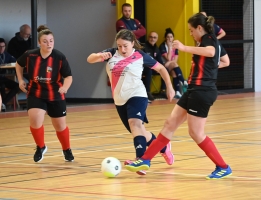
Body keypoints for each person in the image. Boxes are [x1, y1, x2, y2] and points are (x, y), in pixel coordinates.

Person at [125, 13, 232, 180]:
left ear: (199, 28)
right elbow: (225, 61)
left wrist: (184, 48)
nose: (190, 34)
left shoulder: (209, 39)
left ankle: (223, 167)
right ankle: (145, 159)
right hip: (193, 90)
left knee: (196, 133)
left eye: (191, 30)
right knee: (169, 124)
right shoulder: (210, 42)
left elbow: (211, 52)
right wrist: (209, 67)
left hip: (203, 91)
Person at [87, 29, 175, 175]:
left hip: (137, 95)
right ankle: (164, 148)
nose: (122, 49)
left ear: (132, 43)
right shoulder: (111, 53)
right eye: (119, 45)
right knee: (139, 132)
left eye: (125, 46)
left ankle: (141, 161)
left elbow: (161, 68)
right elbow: (89, 59)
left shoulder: (140, 55)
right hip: (120, 100)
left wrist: (170, 87)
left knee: (135, 125)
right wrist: (98, 55)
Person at [15, 25, 74, 163]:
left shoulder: (59, 57)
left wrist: (65, 87)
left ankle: (66, 149)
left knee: (60, 126)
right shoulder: (30, 54)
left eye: (51, 40)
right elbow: (18, 64)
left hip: (55, 93)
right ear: (39, 43)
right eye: (45, 41)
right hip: (36, 92)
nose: (49, 44)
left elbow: (69, 76)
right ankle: (40, 147)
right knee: (35, 119)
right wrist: (20, 80)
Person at [159, 28, 188, 98]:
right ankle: (183, 81)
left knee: (174, 72)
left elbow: (175, 60)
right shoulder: (162, 46)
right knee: (174, 65)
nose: (169, 39)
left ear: (173, 38)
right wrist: (169, 47)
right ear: (165, 38)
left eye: (171, 37)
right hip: (163, 65)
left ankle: (177, 92)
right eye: (168, 37)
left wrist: (172, 62)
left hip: (171, 65)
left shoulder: (175, 47)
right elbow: (168, 59)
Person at [142, 31, 166, 101]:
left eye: (154, 37)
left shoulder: (156, 48)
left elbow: (160, 61)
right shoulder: (143, 47)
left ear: (157, 39)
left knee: (164, 69)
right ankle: (148, 92)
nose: (152, 39)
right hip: (145, 67)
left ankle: (163, 91)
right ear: (148, 38)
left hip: (154, 67)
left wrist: (162, 67)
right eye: (151, 37)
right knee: (148, 70)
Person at [0, 38, 19, 112]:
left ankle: (3, 103)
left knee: (17, 86)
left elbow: (15, 62)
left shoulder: (6, 55)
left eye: (3, 46)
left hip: (3, 78)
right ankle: (2, 104)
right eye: (0, 47)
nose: (1, 49)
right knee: (2, 86)